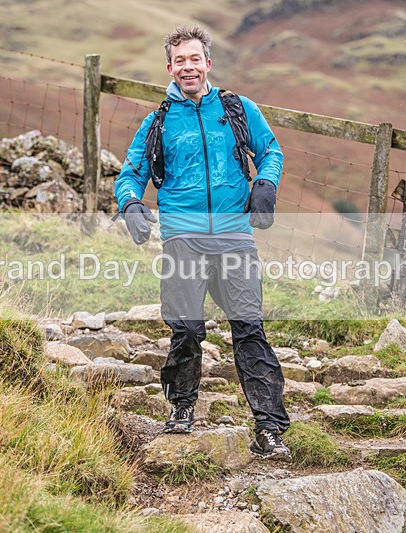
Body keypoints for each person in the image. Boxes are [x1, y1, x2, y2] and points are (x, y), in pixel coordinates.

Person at [114, 24, 291, 460]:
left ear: (208, 63)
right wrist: (130, 204)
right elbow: (130, 174)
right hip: (183, 238)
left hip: (234, 236)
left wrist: (265, 184)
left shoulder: (237, 109)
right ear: (170, 68)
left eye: (195, 59)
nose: (188, 67)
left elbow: (271, 151)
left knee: (249, 328)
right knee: (187, 328)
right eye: (180, 61)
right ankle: (181, 408)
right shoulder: (158, 122)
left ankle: (269, 429)